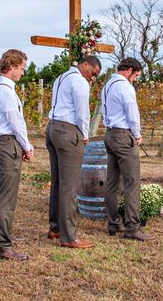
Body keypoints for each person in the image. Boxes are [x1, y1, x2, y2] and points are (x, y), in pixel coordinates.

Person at [46, 55, 102, 249]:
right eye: (93, 73)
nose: (93, 78)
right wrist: (85, 134)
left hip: (52, 128)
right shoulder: (79, 81)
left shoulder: (61, 77)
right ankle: (69, 236)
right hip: (68, 130)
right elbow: (82, 111)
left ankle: (55, 227)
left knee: (58, 182)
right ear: (85, 64)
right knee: (69, 185)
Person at [0, 49, 34, 261]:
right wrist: (27, 146)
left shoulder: (3, 88)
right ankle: (2, 245)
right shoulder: (5, 91)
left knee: (5, 194)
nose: (23, 73)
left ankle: (2, 240)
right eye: (22, 68)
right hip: (8, 143)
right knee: (7, 197)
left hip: (6, 143)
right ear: (12, 66)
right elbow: (15, 121)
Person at [101, 57, 151, 241]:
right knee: (132, 183)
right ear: (129, 70)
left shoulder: (107, 86)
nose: (136, 79)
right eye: (136, 75)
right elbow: (132, 113)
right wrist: (137, 134)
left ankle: (114, 222)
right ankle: (132, 227)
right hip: (123, 135)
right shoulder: (125, 87)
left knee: (112, 182)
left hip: (110, 134)